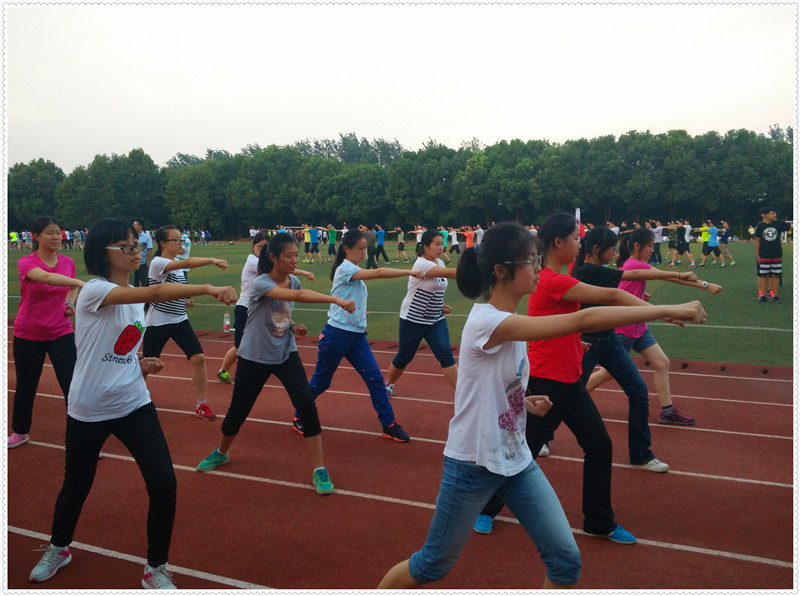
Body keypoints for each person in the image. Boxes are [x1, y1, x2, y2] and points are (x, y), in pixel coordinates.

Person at [377, 222, 705, 590]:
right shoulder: (487, 321)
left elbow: (493, 382)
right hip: (473, 463)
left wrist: (524, 401)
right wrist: (663, 310)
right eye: (531, 261)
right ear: (502, 270)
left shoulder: (512, 322)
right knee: (432, 565)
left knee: (565, 562)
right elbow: (582, 319)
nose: (538, 268)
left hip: (515, 459)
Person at [28, 217, 236, 589]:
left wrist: (140, 364)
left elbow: (116, 349)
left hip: (133, 403)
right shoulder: (95, 290)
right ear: (103, 253)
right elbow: (155, 294)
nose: (136, 252)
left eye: (137, 245)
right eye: (127, 247)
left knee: (164, 483)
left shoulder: (133, 303)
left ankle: (155, 567)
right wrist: (208, 287)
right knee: (76, 485)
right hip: (89, 408)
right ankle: (59, 547)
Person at [474, 213, 706, 541]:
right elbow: (609, 299)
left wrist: (574, 341)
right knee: (523, 451)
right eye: (575, 238)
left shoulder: (562, 275)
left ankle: (598, 521)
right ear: (558, 242)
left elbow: (578, 314)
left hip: (570, 380)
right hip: (546, 382)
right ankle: (486, 508)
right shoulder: (551, 280)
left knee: (599, 446)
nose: (580, 243)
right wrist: (667, 310)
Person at [196, 233, 356, 495]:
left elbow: (281, 312)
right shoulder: (260, 283)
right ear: (273, 257)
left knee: (306, 404)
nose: (295, 260)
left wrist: (293, 326)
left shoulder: (293, 279)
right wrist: (336, 300)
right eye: (289, 256)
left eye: (296, 255)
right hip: (254, 356)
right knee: (238, 411)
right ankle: (221, 452)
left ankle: (319, 469)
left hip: (284, 353)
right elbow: (299, 296)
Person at [294, 229, 424, 442]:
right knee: (321, 382)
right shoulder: (345, 268)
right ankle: (299, 415)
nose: (364, 252)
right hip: (336, 335)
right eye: (360, 249)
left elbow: (351, 297)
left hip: (356, 336)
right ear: (347, 249)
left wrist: (361, 313)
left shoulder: (351, 270)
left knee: (375, 380)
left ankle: (389, 424)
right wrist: (409, 272)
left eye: (365, 248)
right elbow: (379, 273)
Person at [584, 227, 722, 426]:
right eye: (649, 246)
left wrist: (641, 295)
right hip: (625, 328)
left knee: (662, 362)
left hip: (639, 327)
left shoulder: (632, 264)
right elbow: (670, 277)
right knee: (608, 373)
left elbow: (626, 291)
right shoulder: (634, 265)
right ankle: (573, 398)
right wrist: (705, 285)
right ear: (637, 246)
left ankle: (667, 411)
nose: (651, 249)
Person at [9, 216, 85, 449]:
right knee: (26, 385)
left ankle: (81, 437)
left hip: (61, 331)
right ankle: (20, 431)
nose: (56, 237)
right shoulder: (26, 262)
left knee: (73, 385)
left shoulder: (67, 262)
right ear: (36, 237)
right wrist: (81, 284)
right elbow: (48, 278)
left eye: (58, 232)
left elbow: (69, 287)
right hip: (29, 332)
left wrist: (69, 302)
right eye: (50, 233)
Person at [142, 225, 229, 420]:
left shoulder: (177, 266)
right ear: (163, 243)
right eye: (176, 240)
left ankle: (201, 403)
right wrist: (213, 260)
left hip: (180, 320)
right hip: (158, 322)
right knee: (147, 365)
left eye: (181, 240)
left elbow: (174, 291)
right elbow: (188, 262)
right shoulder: (158, 262)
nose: (181, 244)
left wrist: (183, 301)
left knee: (198, 358)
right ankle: (133, 398)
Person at [216, 233, 315, 383]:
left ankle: (263, 367)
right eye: (259, 246)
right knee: (241, 345)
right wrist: (304, 272)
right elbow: (280, 269)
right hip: (246, 307)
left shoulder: (287, 279)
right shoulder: (253, 261)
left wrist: (293, 325)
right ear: (253, 247)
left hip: (262, 306)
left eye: (265, 247)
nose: (262, 249)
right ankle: (223, 371)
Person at [385, 230, 458, 397]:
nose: (441, 247)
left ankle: (460, 393)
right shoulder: (422, 264)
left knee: (446, 354)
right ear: (425, 246)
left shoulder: (440, 262)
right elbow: (452, 274)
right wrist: (477, 268)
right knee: (404, 357)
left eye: (442, 244)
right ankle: (389, 384)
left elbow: (436, 287)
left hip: (435, 319)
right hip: (413, 320)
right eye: (437, 244)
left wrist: (440, 305)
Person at [754, 206, 791, 304]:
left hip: (776, 254)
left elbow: (791, 226)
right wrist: (758, 255)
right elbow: (757, 241)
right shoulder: (760, 226)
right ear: (766, 215)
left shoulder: (778, 224)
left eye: (775, 213)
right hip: (764, 255)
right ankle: (763, 295)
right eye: (772, 213)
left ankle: (775, 295)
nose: (774, 215)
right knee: (764, 275)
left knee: (776, 275)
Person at [131, 219, 153, 287]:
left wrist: (146, 261)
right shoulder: (133, 236)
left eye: (135, 225)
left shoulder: (147, 237)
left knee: (144, 282)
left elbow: (150, 249)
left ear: (140, 226)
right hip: (135, 262)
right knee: (135, 282)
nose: (133, 226)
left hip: (143, 263)